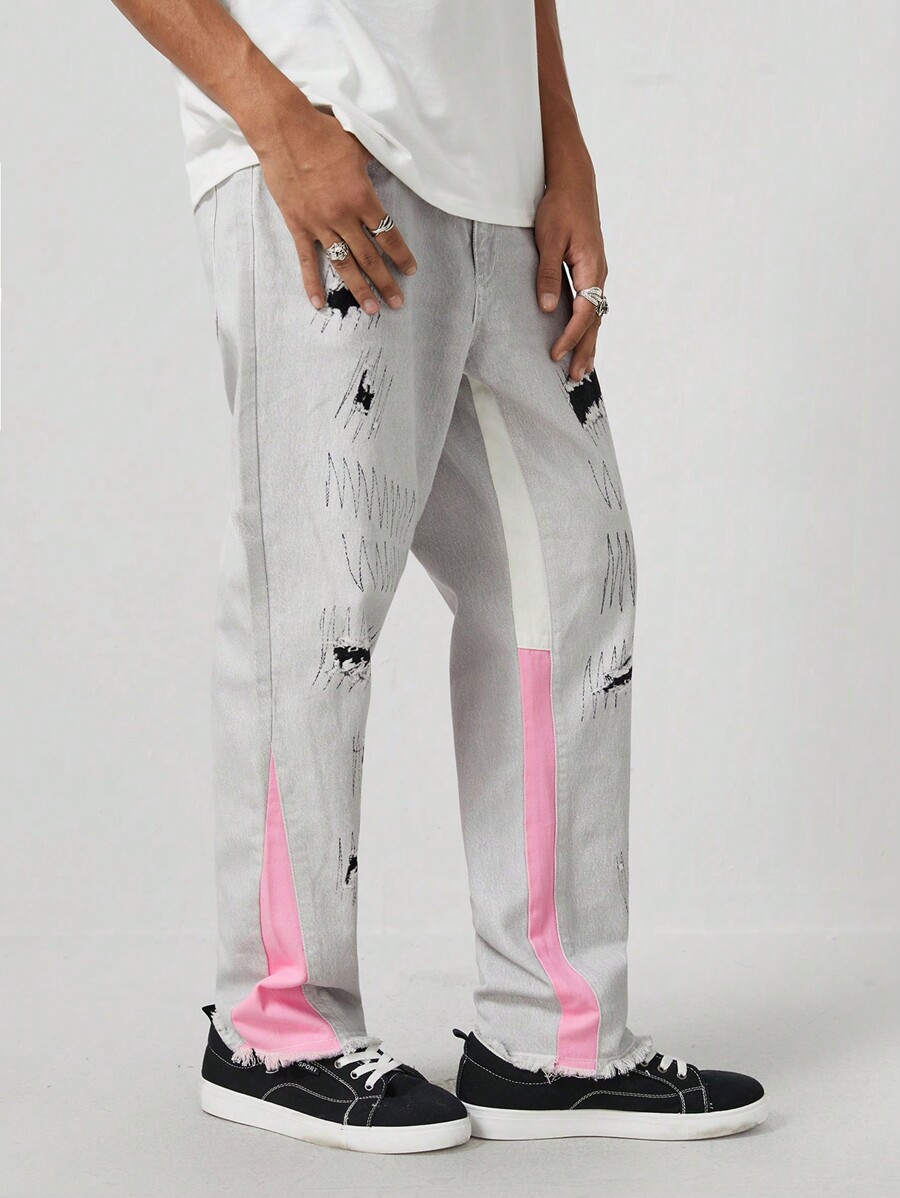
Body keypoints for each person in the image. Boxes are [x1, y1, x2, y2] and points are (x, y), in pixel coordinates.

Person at [111, 0, 768, 1154]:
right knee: (318, 587)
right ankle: (275, 1025)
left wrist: (562, 151)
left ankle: (553, 1036)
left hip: (499, 183)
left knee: (572, 574)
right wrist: (272, 114)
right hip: (327, 144)